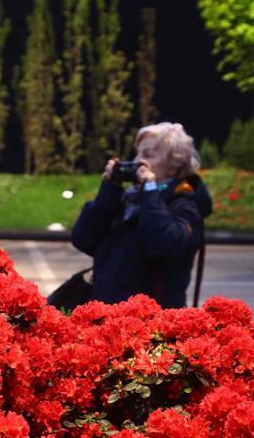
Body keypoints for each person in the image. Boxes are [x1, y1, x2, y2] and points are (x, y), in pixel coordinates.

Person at [70, 122, 213, 308]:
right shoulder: (130, 198)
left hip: (152, 324)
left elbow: (164, 246)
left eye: (148, 155)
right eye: (137, 153)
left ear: (175, 164)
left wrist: (150, 190)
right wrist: (109, 188)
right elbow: (84, 240)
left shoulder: (185, 203)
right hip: (110, 317)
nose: (138, 161)